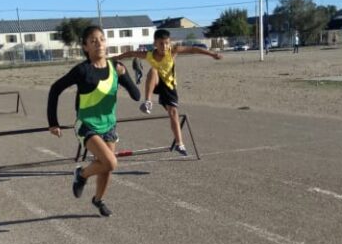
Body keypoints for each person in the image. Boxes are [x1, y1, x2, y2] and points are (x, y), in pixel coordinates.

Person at [47, 25, 140, 217]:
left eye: (102, 39)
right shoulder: (82, 70)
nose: (99, 43)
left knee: (105, 168)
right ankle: (81, 175)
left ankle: (98, 200)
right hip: (87, 125)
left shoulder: (116, 67)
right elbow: (55, 89)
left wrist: (125, 76)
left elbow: (136, 95)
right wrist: (53, 122)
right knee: (111, 163)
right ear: (85, 47)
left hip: (109, 125)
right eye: (93, 41)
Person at [118, 29, 221, 155]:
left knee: (173, 112)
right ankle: (148, 102)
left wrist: (212, 54)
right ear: (155, 43)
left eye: (166, 43)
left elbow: (193, 49)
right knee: (153, 70)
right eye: (161, 43)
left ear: (170, 43)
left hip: (169, 86)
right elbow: (130, 53)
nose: (164, 46)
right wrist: (113, 58)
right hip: (155, 83)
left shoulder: (173, 51)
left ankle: (179, 143)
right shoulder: (148, 54)